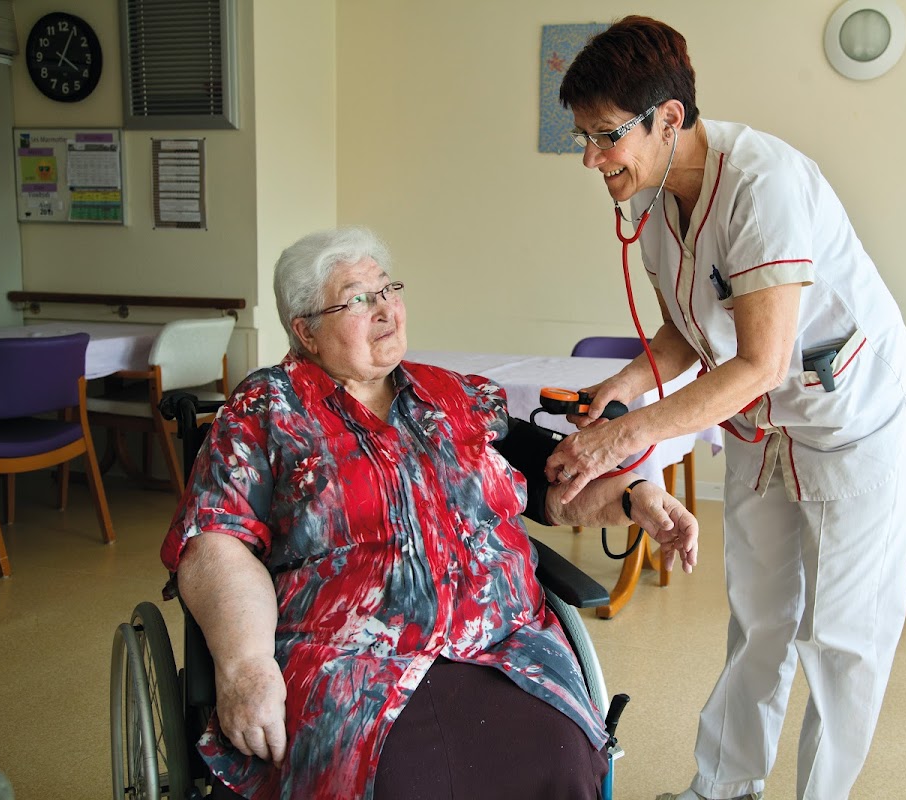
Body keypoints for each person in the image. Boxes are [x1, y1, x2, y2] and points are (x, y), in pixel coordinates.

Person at [160, 226, 699, 800]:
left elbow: (550, 484)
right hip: (349, 662)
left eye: (387, 289)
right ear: (306, 331)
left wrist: (635, 495)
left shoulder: (453, 395)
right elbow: (216, 540)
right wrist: (245, 665)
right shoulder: (264, 409)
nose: (385, 309)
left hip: (504, 643)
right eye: (357, 299)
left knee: (562, 762)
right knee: (399, 782)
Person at [552, 16, 906, 800]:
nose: (591, 158)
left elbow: (761, 361)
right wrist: (624, 385)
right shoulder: (654, 196)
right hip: (762, 428)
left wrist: (620, 440)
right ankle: (721, 788)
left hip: (849, 421)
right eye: (582, 137)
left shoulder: (764, 185)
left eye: (605, 136)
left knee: (843, 641)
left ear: (668, 119)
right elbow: (690, 328)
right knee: (759, 620)